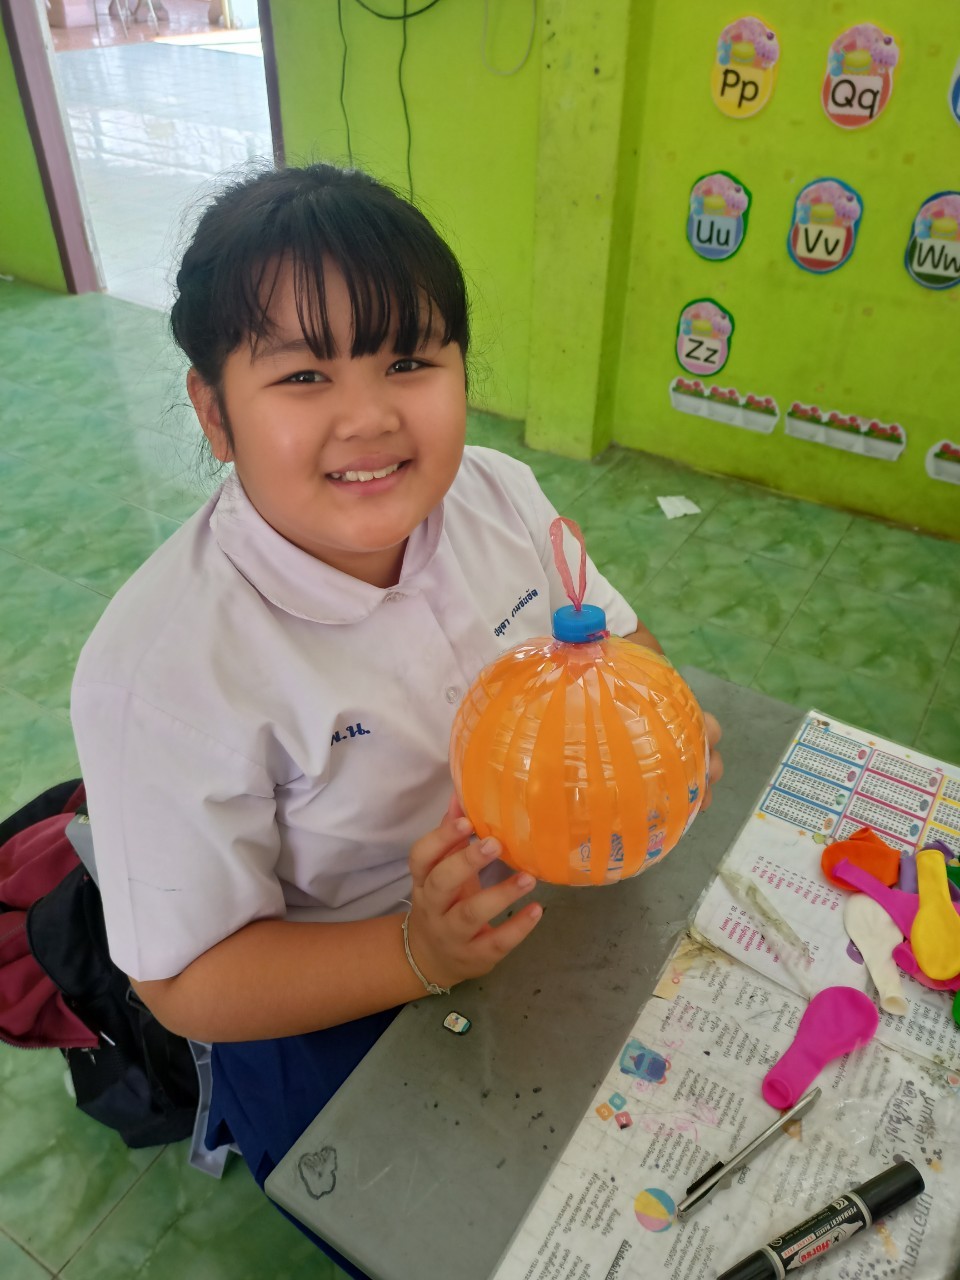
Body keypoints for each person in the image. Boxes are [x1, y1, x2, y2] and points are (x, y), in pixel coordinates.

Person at [71, 163, 723, 1273]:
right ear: (213, 410)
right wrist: (417, 949)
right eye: (304, 374)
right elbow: (184, 984)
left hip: (553, 910)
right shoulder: (163, 671)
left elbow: (621, 642)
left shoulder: (497, 495)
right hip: (335, 997)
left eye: (410, 361)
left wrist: (656, 726)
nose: (369, 418)